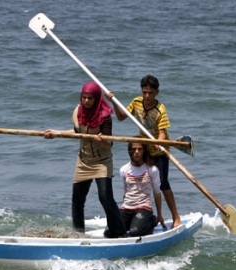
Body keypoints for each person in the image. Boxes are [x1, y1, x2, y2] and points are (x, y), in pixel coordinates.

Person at [44, 82, 126, 238]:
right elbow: (77, 131)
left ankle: (119, 231)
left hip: (102, 161)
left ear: (96, 99)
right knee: (77, 199)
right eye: (84, 98)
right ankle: (78, 234)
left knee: (105, 197)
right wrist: (56, 133)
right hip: (83, 161)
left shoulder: (105, 117)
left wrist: (102, 140)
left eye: (90, 98)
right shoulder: (78, 112)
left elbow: (109, 143)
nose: (86, 101)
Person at [105, 75, 182, 228]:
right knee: (138, 179)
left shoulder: (160, 109)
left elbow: (161, 132)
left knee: (162, 184)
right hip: (144, 148)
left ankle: (176, 217)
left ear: (157, 93)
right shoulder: (136, 102)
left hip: (160, 150)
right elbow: (121, 117)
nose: (147, 96)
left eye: (150, 93)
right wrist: (113, 100)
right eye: (144, 92)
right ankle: (140, 215)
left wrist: (159, 143)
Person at [119, 141, 166, 236]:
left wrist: (159, 215)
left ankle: (151, 221)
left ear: (144, 151)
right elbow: (125, 191)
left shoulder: (152, 170)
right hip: (127, 207)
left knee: (135, 232)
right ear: (130, 151)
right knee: (109, 232)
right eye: (134, 149)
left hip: (144, 207)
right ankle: (132, 222)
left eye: (139, 149)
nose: (136, 152)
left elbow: (157, 193)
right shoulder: (124, 169)